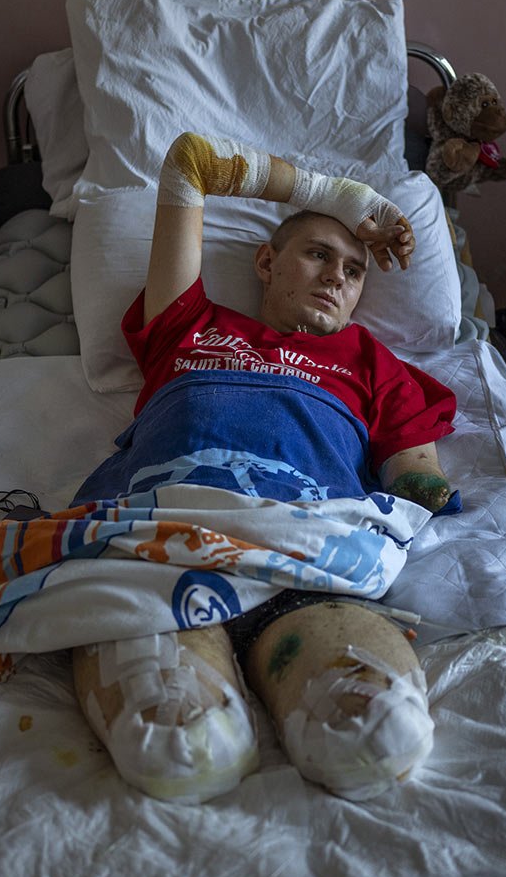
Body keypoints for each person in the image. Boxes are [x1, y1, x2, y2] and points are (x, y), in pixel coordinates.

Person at [71, 132, 458, 804]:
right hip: (158, 541)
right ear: (266, 262)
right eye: (318, 253)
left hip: (304, 552)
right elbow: (188, 162)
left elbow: (416, 480)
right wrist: (347, 199)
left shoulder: (374, 364)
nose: (338, 274)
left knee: (377, 729)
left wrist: (424, 496)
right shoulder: (187, 326)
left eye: (355, 269)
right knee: (176, 743)